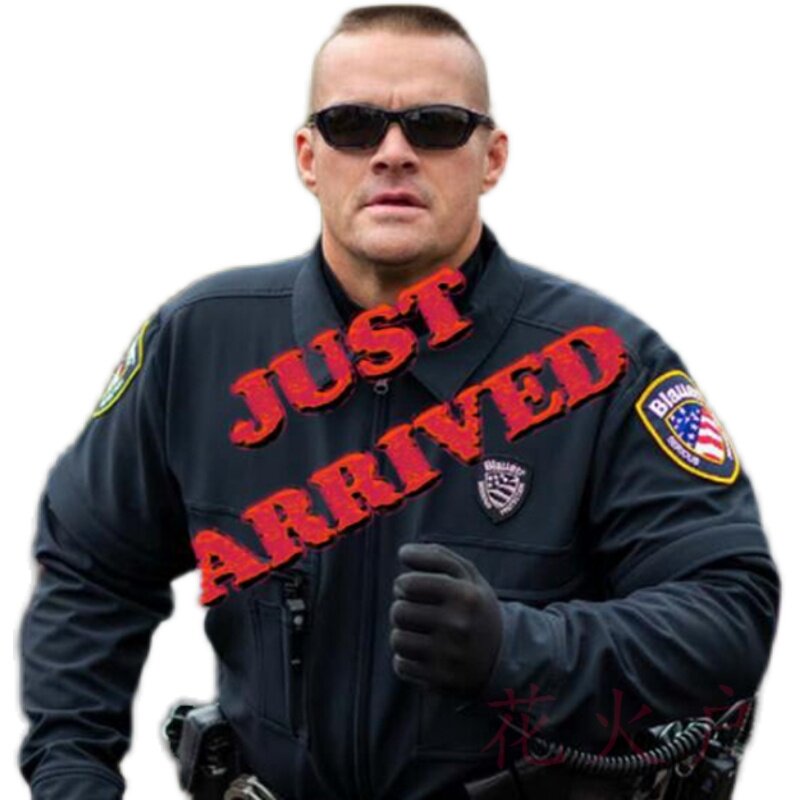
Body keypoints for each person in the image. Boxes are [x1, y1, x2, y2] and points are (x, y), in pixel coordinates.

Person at [19, 4, 780, 799]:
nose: (392, 153)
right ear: (308, 157)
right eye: (351, 125)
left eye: (436, 126)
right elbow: (90, 569)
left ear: (492, 158)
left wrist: (519, 647)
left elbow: (729, 612)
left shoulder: (603, 367)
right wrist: (72, 776)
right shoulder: (201, 344)